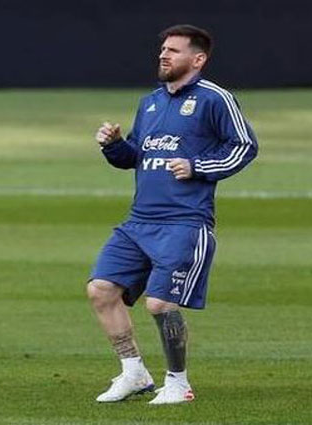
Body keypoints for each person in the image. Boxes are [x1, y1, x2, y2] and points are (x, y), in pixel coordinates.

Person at [87, 24, 257, 405]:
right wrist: (114, 146)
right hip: (139, 221)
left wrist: (198, 167)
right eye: (163, 49)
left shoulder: (215, 98)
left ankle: (178, 384)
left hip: (185, 221)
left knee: (160, 304)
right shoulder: (150, 102)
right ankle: (134, 372)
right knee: (101, 290)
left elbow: (244, 145)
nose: (164, 55)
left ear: (198, 59)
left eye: (174, 50)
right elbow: (137, 156)